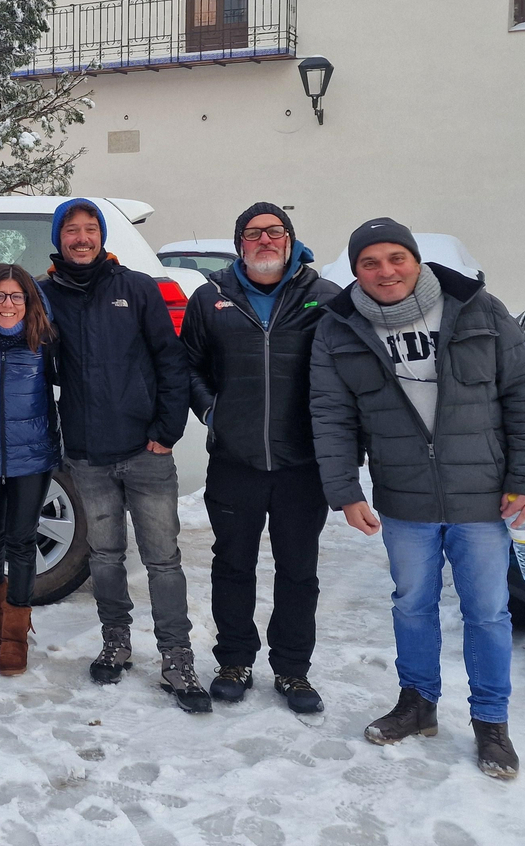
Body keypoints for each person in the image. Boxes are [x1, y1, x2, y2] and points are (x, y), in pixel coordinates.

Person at [311, 217, 525, 780]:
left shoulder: (478, 310)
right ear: (355, 272)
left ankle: (491, 723)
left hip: (485, 496)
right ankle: (418, 704)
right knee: (411, 605)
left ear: (415, 260)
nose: (385, 271)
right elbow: (331, 415)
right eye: (370, 262)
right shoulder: (338, 328)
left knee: (487, 612)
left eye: (396, 257)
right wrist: (344, 490)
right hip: (404, 498)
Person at [43, 198, 209, 712]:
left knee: (163, 560)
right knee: (105, 556)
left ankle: (177, 656)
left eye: (90, 229)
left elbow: (171, 360)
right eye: (71, 230)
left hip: (145, 450)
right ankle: (115, 641)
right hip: (87, 454)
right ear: (58, 239)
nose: (82, 238)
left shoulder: (136, 288)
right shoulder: (45, 295)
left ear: (101, 236)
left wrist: (167, 430)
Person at [181, 203, 342, 715]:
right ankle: (234, 661)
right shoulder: (210, 299)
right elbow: (189, 365)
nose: (265, 240)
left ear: (291, 240)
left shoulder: (324, 298)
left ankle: (293, 669)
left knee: (299, 570)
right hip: (235, 460)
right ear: (239, 246)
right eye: (253, 234)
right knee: (232, 565)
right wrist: (212, 412)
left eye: (275, 231)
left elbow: (345, 372)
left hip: (302, 464)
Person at [0, 263, 59, 677]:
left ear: (29, 300)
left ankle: (16, 634)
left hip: (32, 455)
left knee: (21, 541)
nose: (8, 304)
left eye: (16, 296)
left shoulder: (45, 339)